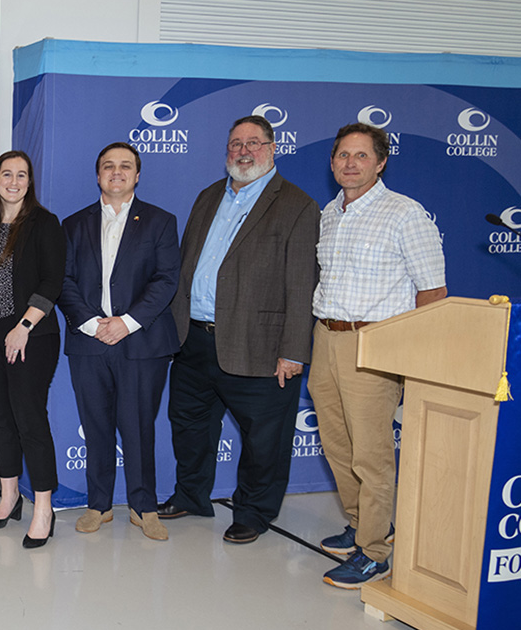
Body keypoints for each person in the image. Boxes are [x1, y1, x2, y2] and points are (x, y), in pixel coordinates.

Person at [159, 116, 318, 544]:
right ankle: (191, 494)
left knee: (264, 438)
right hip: (193, 339)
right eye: (235, 144)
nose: (243, 151)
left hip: (260, 346)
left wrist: (293, 351)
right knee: (189, 425)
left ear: (272, 148)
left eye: (253, 143)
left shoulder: (298, 206)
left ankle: (253, 512)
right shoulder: (209, 195)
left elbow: (303, 285)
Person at [309, 122, 446, 588]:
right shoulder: (331, 213)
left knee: (371, 454)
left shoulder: (405, 214)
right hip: (325, 337)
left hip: (376, 343)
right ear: (332, 163)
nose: (350, 163)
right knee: (337, 444)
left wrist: (412, 359)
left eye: (361, 155)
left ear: (381, 162)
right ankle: (361, 523)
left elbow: (433, 292)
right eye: (343, 155)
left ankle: (375, 552)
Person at [58, 143, 180, 541]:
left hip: (141, 343)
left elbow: (166, 281)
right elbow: (65, 281)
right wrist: (94, 325)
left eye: (125, 166)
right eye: (108, 166)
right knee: (96, 426)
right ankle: (99, 505)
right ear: (98, 176)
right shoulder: (73, 225)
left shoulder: (161, 222)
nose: (116, 172)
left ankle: (145, 507)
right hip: (89, 342)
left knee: (139, 426)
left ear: (137, 175)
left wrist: (126, 323)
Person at [0, 150, 66, 548]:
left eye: (22, 175)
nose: (14, 181)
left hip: (31, 336)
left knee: (29, 419)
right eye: (7, 174)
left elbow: (52, 281)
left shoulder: (44, 223)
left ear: (30, 181)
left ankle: (43, 508)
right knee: (1, 419)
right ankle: (8, 497)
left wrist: (23, 326)